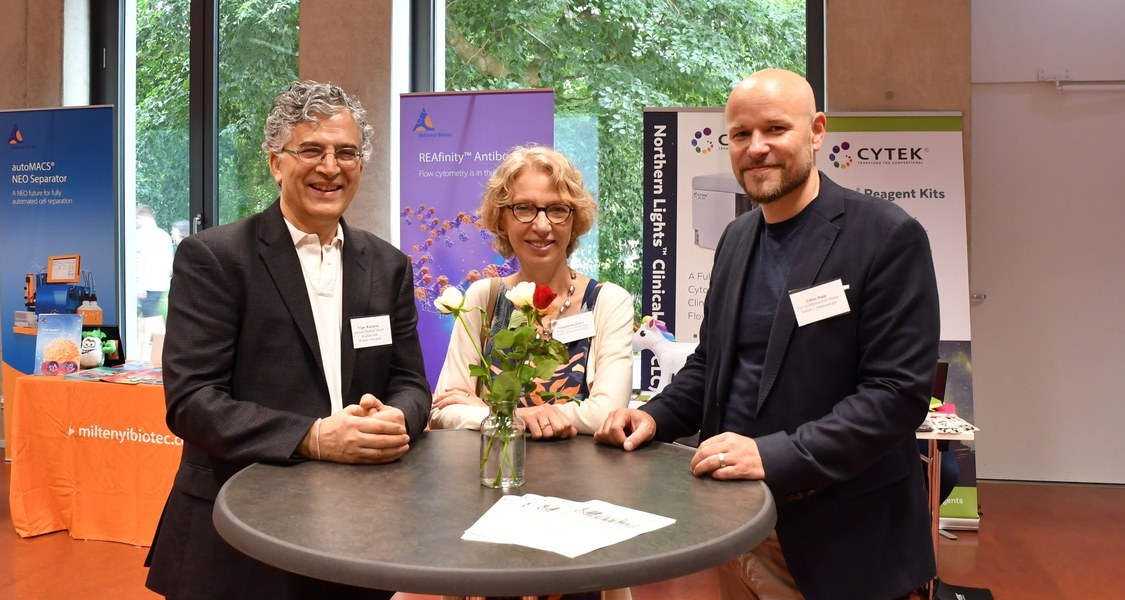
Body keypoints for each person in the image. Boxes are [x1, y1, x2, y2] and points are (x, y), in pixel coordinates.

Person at [594, 68, 941, 600]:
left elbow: (896, 397)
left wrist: (774, 456)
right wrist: (654, 416)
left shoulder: (887, 236)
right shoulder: (735, 238)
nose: (756, 148)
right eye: (740, 134)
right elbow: (711, 365)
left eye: (776, 129)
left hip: (844, 539)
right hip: (737, 523)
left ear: (817, 130)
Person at [144, 81, 431, 600]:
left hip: (356, 535)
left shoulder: (388, 266)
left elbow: (410, 382)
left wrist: (397, 419)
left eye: (346, 152)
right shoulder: (215, 258)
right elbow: (192, 402)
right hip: (236, 538)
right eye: (311, 150)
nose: (330, 167)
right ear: (277, 163)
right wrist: (313, 436)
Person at [430, 145, 634, 600]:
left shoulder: (609, 302)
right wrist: (527, 419)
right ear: (502, 219)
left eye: (557, 209)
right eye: (524, 208)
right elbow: (443, 407)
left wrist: (491, 412)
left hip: (582, 517)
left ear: (575, 221)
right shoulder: (483, 299)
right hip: (488, 510)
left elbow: (608, 412)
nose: (541, 225)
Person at [135, 203, 173, 359]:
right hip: (160, 285)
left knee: (149, 324)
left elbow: (138, 260)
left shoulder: (139, 235)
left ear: (141, 217)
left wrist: (138, 283)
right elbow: (170, 263)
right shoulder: (163, 235)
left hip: (146, 285)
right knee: (146, 322)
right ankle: (147, 358)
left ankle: (144, 358)